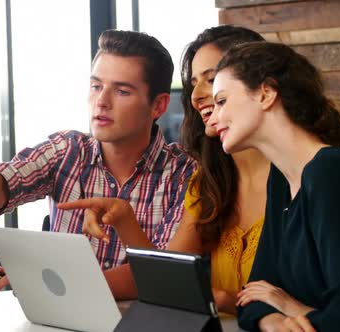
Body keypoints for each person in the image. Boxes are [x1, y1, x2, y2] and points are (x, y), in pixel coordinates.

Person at [0, 30, 195, 292]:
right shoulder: (68, 151)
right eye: (96, 86)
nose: (101, 102)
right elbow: (8, 177)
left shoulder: (184, 175)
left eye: (122, 91)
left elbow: (165, 274)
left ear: (159, 106)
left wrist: (53, 280)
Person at [58, 25, 269, 314]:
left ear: (264, 89)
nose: (196, 96)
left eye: (212, 79)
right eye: (194, 82)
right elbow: (167, 280)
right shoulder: (206, 183)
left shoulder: (303, 179)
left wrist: (227, 301)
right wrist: (123, 218)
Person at [209, 41, 340, 331]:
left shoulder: (332, 173)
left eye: (221, 101)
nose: (213, 118)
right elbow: (252, 297)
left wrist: (289, 306)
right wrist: (277, 322)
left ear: (266, 94)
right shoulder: (281, 179)